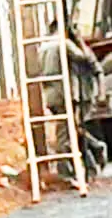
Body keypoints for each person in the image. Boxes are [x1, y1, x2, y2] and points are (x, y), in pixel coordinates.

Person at [39, 21, 108, 180]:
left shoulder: (42, 47)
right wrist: (79, 41)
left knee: (71, 130)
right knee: (67, 134)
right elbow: (84, 58)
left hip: (51, 96)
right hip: (66, 94)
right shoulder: (65, 44)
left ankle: (87, 163)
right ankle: (71, 169)